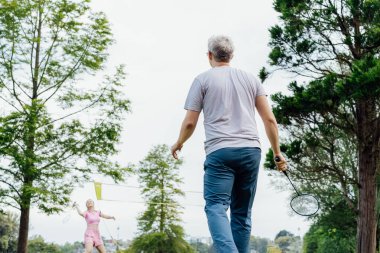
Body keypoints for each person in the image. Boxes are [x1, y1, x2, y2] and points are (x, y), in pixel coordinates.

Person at [171, 35, 287, 253]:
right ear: (232, 55)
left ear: (209, 55)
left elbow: (189, 122)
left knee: (216, 206)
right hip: (251, 151)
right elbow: (269, 119)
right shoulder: (251, 79)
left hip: (220, 152)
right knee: (242, 213)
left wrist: (179, 143)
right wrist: (277, 152)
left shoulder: (202, 80)